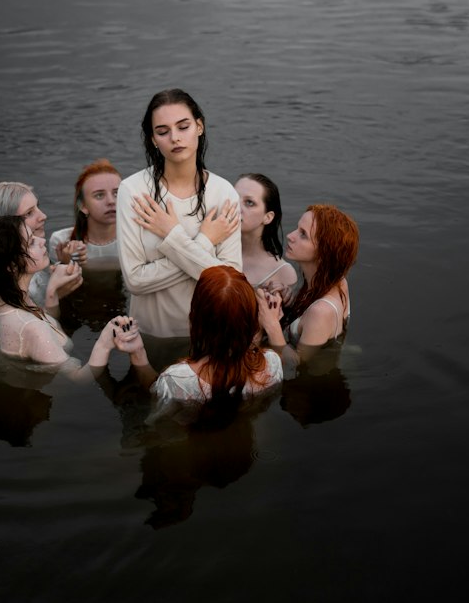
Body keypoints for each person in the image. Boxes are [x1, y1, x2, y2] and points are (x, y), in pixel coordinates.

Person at [116, 88, 242, 338]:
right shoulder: (133, 191)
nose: (175, 138)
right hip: (150, 335)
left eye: (183, 127)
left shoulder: (223, 192)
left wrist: (172, 235)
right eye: (163, 131)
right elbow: (135, 281)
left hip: (210, 335)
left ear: (199, 127)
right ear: (153, 139)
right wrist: (205, 242)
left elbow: (231, 283)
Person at [0, 216, 151, 380]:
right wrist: (105, 341)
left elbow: (42, 325)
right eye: (32, 242)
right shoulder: (33, 328)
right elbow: (79, 379)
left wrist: (53, 292)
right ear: (11, 265)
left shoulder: (0, 301)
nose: (42, 241)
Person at [148, 266, 283, 427]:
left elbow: (156, 423)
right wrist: (267, 326)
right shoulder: (272, 364)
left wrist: (138, 357)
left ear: (197, 316)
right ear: (251, 316)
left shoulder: (176, 380)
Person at [258, 204, 359, 368]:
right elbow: (309, 316)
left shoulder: (321, 311)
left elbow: (297, 364)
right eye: (298, 229)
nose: (290, 236)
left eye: (303, 235)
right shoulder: (338, 280)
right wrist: (289, 298)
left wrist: (270, 324)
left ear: (323, 253)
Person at [0, 179, 81, 314]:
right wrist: (54, 295)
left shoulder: (28, 260)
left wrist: (65, 261)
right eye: (29, 213)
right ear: (4, 227)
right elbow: (33, 331)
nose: (43, 216)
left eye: (38, 207)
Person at [235, 172, 298, 297]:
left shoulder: (283, 273)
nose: (237, 206)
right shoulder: (212, 249)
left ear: (268, 217)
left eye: (249, 202)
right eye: (234, 197)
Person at [49, 159, 121, 266]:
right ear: (83, 206)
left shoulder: (139, 238)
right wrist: (65, 263)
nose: (111, 201)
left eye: (117, 193)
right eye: (99, 195)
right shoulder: (62, 241)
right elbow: (50, 282)